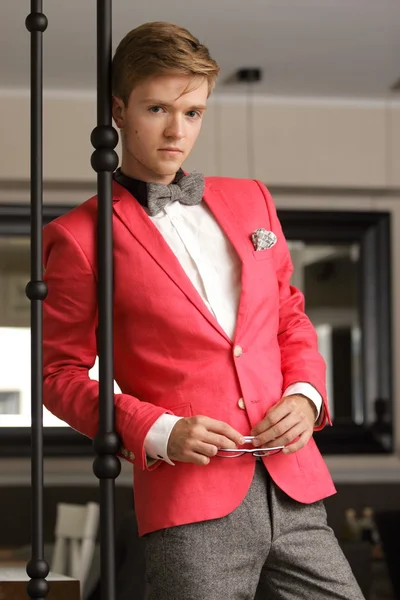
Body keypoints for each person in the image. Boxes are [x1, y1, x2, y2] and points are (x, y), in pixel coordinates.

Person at [42, 21, 365, 600]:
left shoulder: (252, 199)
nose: (176, 130)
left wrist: (307, 395)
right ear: (119, 109)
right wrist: (160, 429)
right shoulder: (78, 237)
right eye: (157, 109)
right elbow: (59, 377)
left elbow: (288, 315)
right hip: (189, 504)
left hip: (295, 485)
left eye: (192, 112)